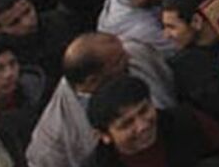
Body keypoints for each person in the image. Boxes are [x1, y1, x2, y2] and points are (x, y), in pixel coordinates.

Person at [28, 32, 177, 167]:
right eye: (118, 61)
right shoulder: (55, 138)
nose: (129, 58)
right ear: (93, 81)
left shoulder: (136, 53)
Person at [84, 75, 219, 167]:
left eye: (144, 111)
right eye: (126, 124)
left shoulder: (186, 121)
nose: (142, 126)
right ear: (105, 136)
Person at [162, 0, 219, 128]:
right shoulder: (185, 66)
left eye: (172, 27)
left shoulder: (186, 65)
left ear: (196, 21)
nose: (166, 35)